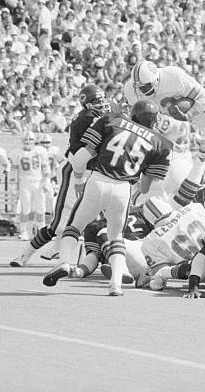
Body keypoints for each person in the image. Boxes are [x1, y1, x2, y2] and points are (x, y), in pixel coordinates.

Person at [45, 99, 172, 296]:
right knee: (116, 237)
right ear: (154, 121)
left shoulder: (111, 121)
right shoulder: (160, 142)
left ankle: (65, 262)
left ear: (133, 115)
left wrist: (79, 179)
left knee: (74, 226)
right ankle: (116, 284)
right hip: (123, 188)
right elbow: (146, 187)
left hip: (98, 180)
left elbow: (81, 158)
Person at [11, 85, 110, 266]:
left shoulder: (95, 118)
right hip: (75, 170)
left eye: (103, 99)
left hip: (92, 172)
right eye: (97, 101)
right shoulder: (85, 120)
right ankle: (25, 254)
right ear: (86, 104)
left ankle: (71, 254)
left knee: (96, 221)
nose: (102, 104)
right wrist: (79, 178)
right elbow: (76, 154)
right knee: (59, 223)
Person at [15, 131, 49, 241]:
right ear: (22, 141)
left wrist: (46, 181)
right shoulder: (17, 152)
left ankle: (41, 230)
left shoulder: (41, 151)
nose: (28, 142)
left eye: (30, 140)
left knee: (41, 208)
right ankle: (24, 231)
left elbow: (45, 167)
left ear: (34, 141)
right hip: (24, 181)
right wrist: (14, 185)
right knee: (25, 208)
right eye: (26, 140)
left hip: (38, 181)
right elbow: (14, 170)